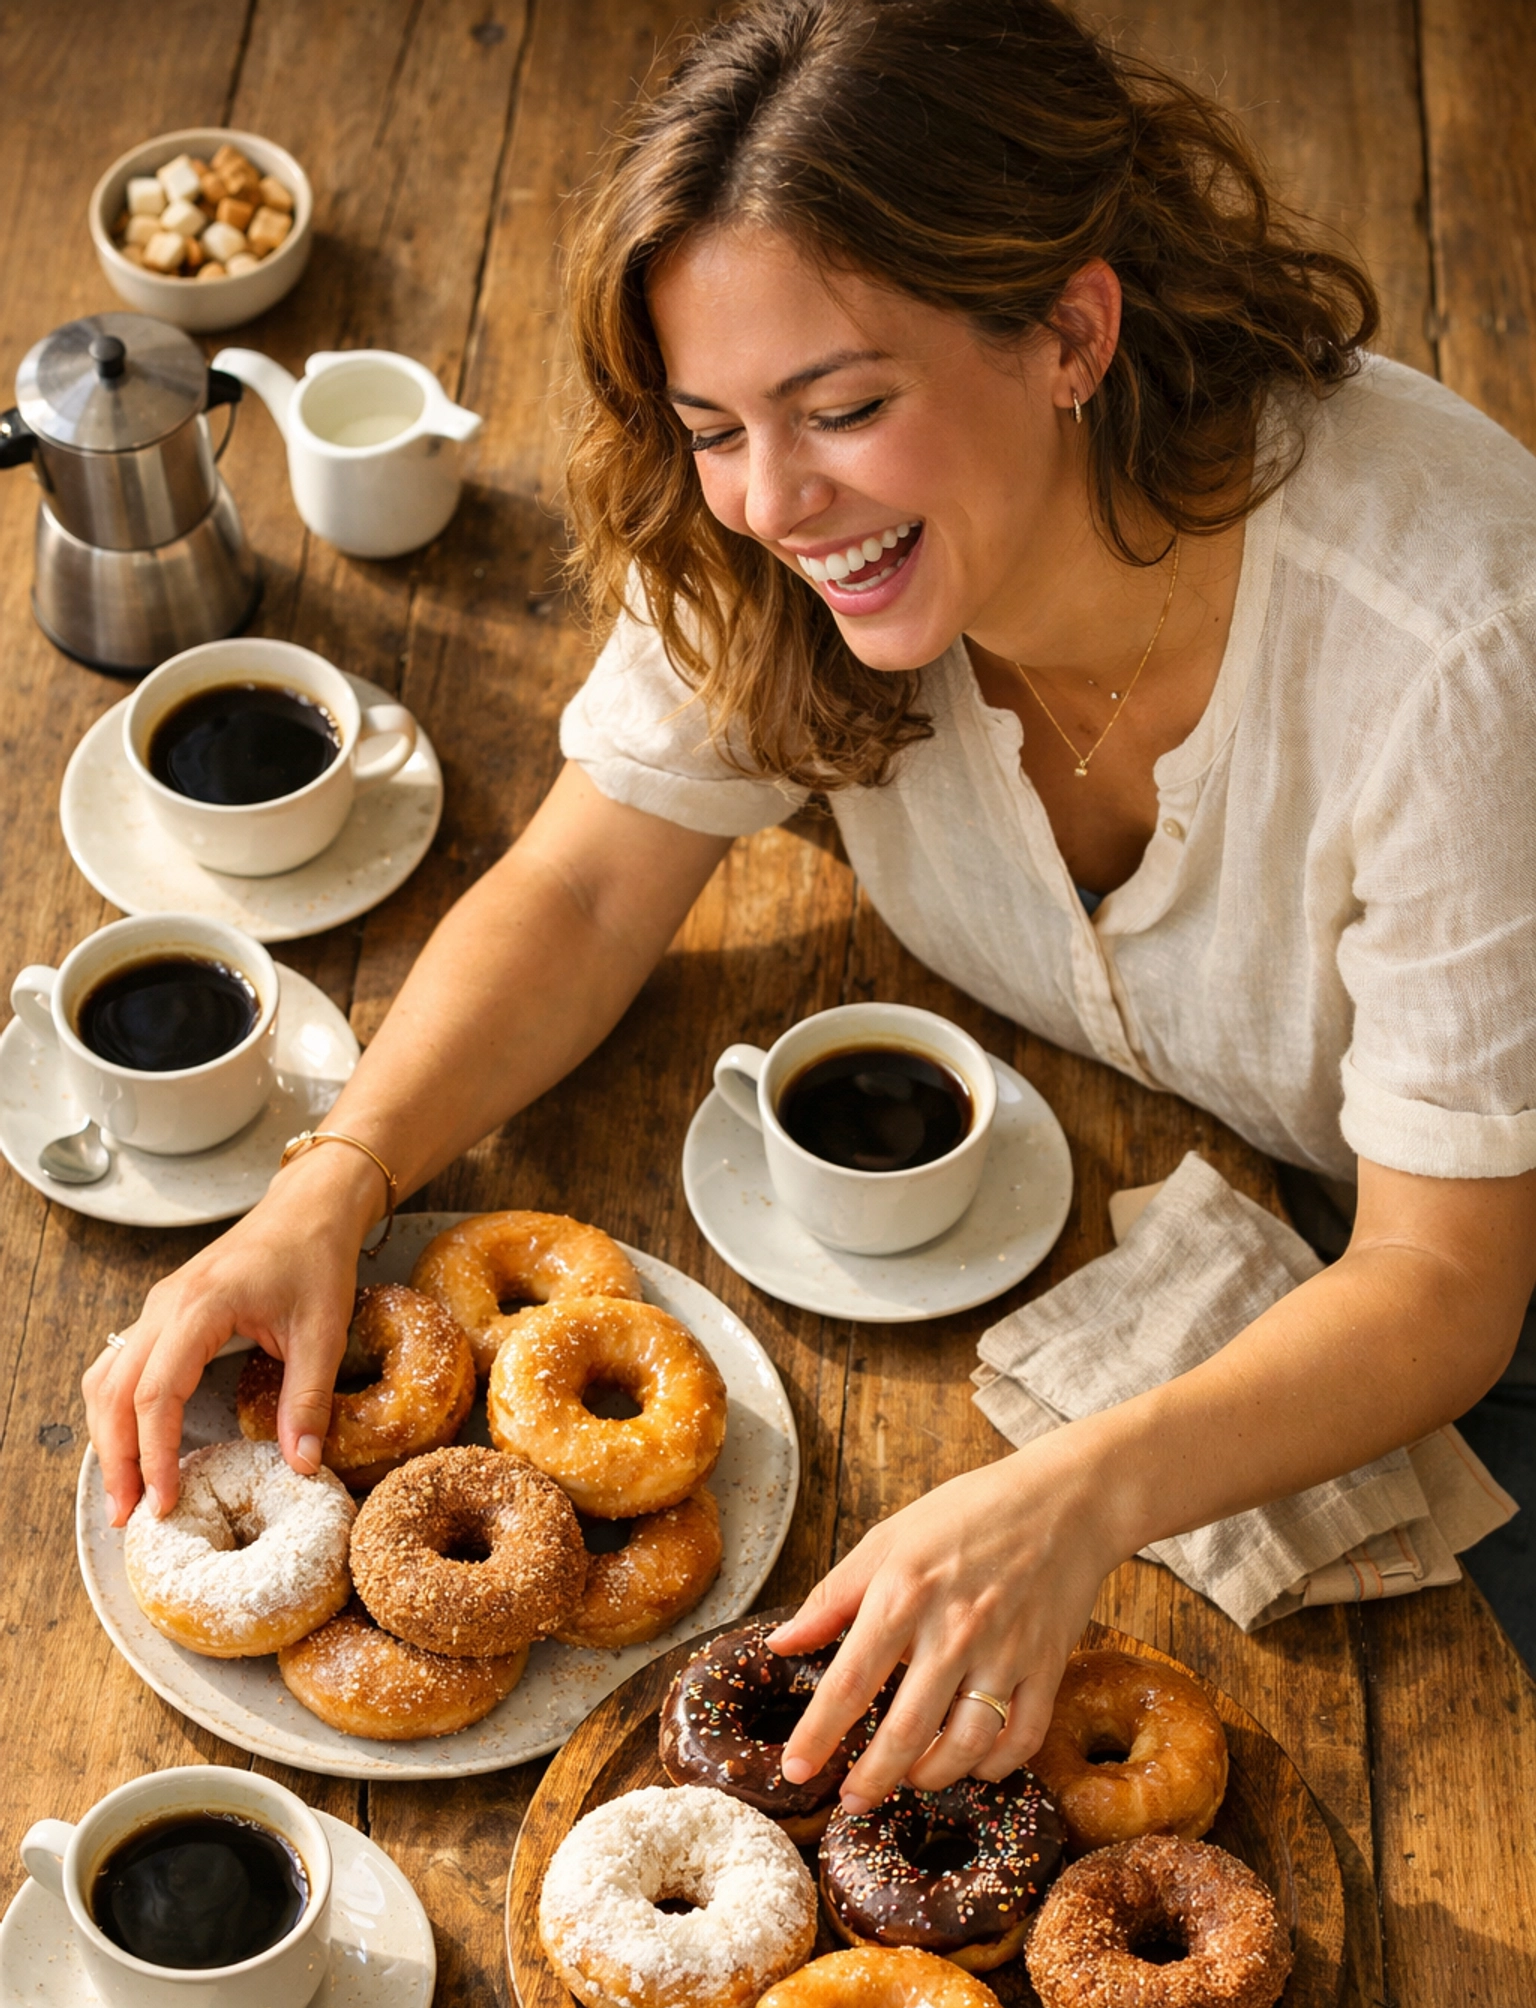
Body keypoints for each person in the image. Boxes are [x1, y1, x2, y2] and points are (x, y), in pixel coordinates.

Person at [85, 0, 1536, 1813]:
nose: (777, 500)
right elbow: (592, 886)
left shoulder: (1454, 646)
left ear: (1071, 329)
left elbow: (1445, 1280)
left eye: (845, 409)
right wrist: (335, 1174)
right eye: (714, 425)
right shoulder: (763, 546)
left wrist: (1068, 1498)